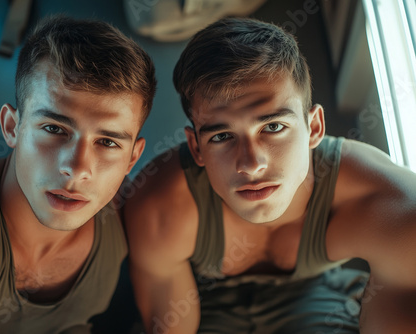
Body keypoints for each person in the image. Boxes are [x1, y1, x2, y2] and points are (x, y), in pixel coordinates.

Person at [124, 17, 416, 334]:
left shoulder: (387, 204)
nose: (251, 164)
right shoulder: (158, 209)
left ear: (314, 127)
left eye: (273, 127)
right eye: (222, 136)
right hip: (204, 301)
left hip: (317, 294)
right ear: (196, 147)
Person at [0, 15, 156, 334]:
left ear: (132, 158)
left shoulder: (133, 216)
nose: (77, 168)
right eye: (54, 129)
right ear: (12, 127)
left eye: (108, 142)